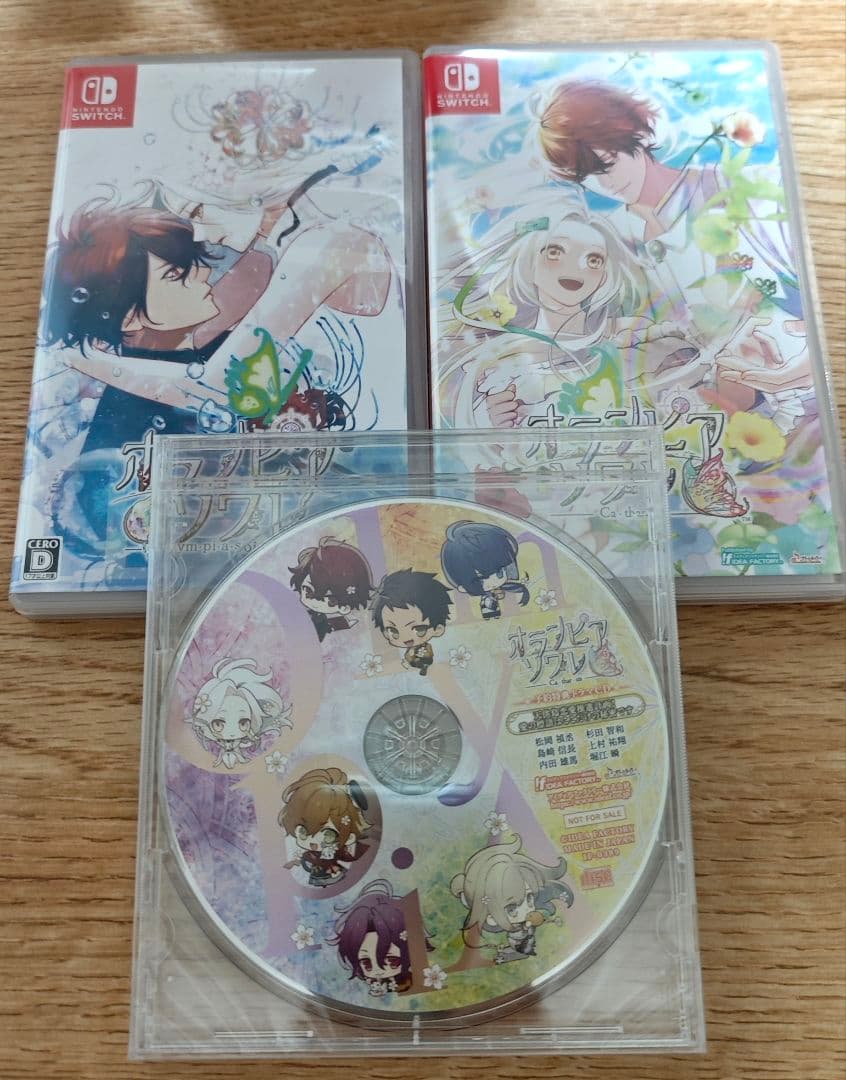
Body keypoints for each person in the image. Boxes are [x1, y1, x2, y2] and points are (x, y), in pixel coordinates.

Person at [289, 537, 373, 642]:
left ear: (344, 607)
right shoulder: (301, 614)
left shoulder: (333, 622)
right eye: (308, 591)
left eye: (331, 601)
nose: (313, 601)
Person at [370, 569, 452, 677]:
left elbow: (428, 654)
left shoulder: (427, 648)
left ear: (438, 629)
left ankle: (422, 668)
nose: (405, 637)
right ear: (385, 633)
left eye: (418, 630)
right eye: (393, 631)